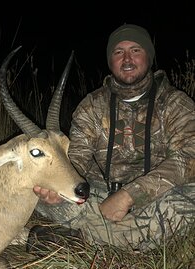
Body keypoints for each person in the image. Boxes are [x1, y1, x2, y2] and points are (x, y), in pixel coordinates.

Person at [28, 24, 195, 251]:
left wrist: (130, 195)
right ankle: (133, 241)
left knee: (188, 201)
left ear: (149, 56)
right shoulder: (91, 106)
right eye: (118, 52)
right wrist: (58, 188)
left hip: (158, 199)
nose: (127, 59)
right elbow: (76, 160)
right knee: (36, 190)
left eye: (135, 50)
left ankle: (79, 241)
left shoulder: (176, 103)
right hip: (100, 199)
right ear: (110, 61)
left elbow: (189, 158)